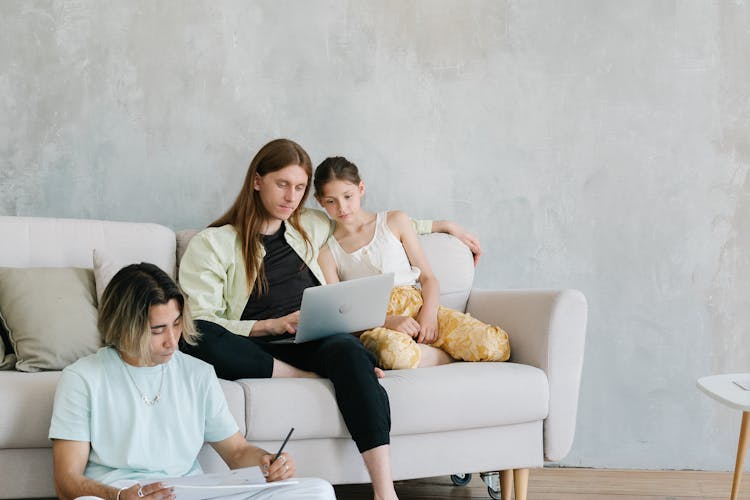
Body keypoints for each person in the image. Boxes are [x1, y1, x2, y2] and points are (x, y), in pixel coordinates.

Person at [177, 138, 481, 500]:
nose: (291, 196)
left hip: (314, 336)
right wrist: (270, 326)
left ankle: (385, 493)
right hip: (255, 343)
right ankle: (308, 376)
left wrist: (445, 225)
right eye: (282, 184)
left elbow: (371, 221)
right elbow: (202, 319)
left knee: (349, 353)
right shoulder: (213, 243)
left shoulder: (310, 224)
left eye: (300, 188)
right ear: (257, 181)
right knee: (193, 338)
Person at [48, 263, 334, 500]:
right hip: (120, 495)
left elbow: (236, 452)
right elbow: (66, 481)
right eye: (158, 329)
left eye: (176, 324)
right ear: (123, 327)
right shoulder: (82, 378)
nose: (173, 341)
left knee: (318, 491)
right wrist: (120, 497)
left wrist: (267, 462)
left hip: (189, 493)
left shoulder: (198, 373)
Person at [313, 156, 510, 370]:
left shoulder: (394, 221)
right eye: (331, 201)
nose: (342, 207)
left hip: (419, 307)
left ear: (361, 189)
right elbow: (342, 316)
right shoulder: (328, 254)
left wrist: (429, 314)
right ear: (320, 201)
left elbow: (429, 279)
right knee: (396, 356)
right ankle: (442, 358)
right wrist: (388, 322)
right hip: (377, 325)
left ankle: (429, 352)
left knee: (494, 345)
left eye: (348, 196)